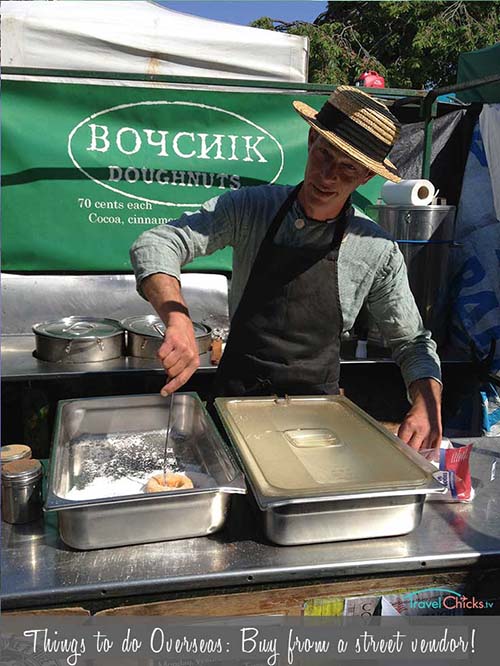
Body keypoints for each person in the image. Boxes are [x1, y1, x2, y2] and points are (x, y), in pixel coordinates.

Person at [130, 86, 442, 451]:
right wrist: (177, 317)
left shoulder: (376, 251)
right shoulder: (251, 209)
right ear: (311, 140)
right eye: (325, 155)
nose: (328, 176)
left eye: (347, 168)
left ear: (365, 178)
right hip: (235, 406)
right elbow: (156, 243)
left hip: (317, 419)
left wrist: (426, 403)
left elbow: (412, 342)